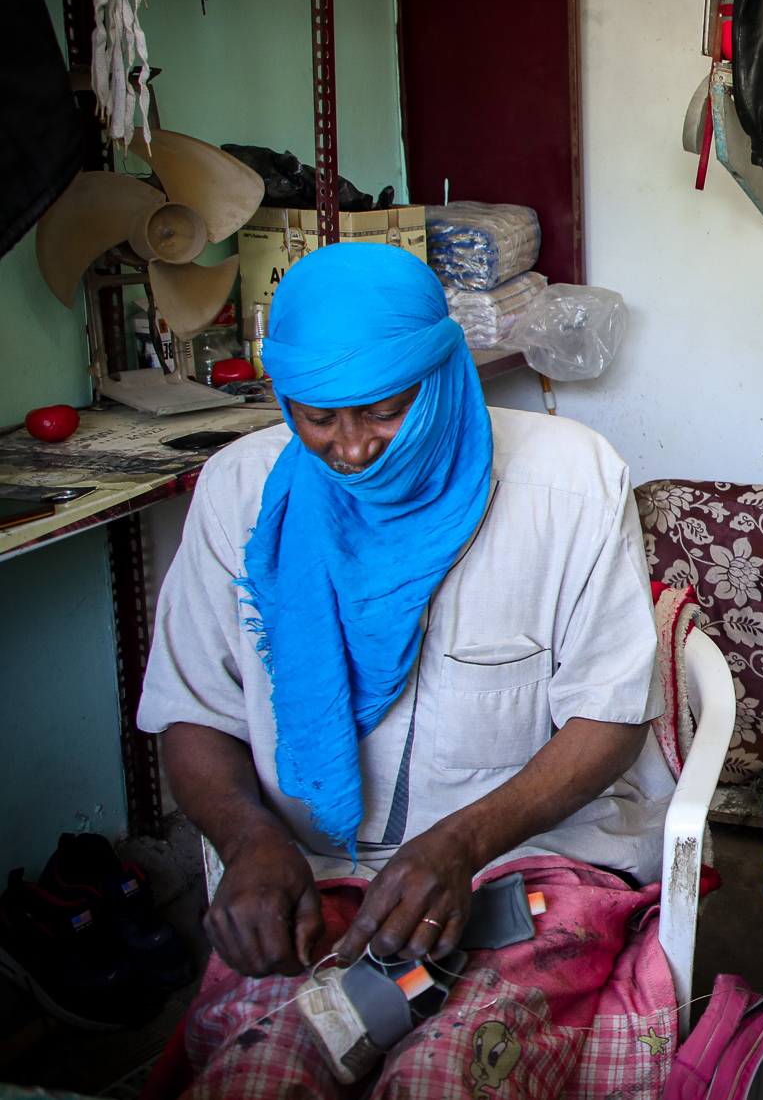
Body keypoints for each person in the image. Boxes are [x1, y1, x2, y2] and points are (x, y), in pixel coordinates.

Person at [137, 244, 678, 1098]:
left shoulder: (569, 483)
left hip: (528, 860)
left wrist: (462, 842)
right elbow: (195, 710)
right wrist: (250, 841)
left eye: (386, 412)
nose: (353, 449)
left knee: (444, 1075)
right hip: (313, 869)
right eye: (318, 418)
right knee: (261, 1073)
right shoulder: (240, 493)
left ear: (444, 374)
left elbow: (608, 718)